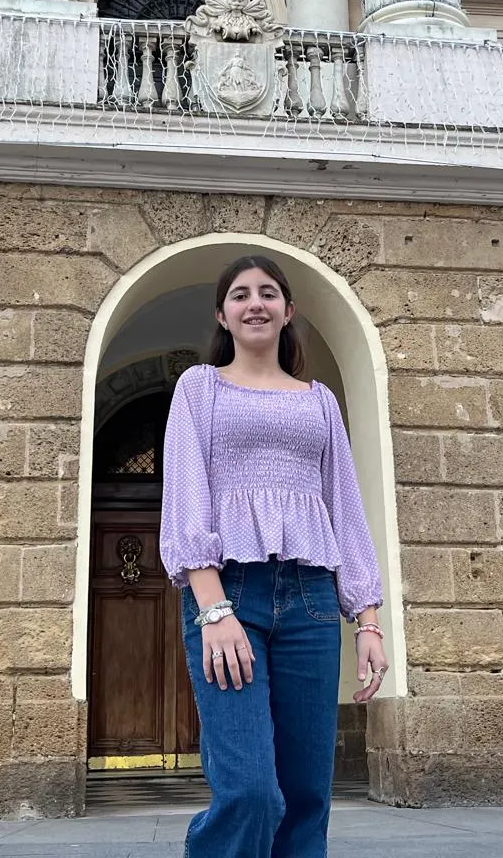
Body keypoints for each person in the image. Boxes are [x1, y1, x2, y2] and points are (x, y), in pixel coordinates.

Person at [160, 255, 387, 858]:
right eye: (239, 295)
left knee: (307, 793)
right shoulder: (198, 388)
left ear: (289, 311)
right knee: (251, 789)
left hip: (311, 601)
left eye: (267, 293)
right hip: (228, 595)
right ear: (222, 315)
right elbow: (186, 495)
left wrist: (367, 619)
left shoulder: (320, 402)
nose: (254, 303)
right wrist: (213, 610)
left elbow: (345, 506)